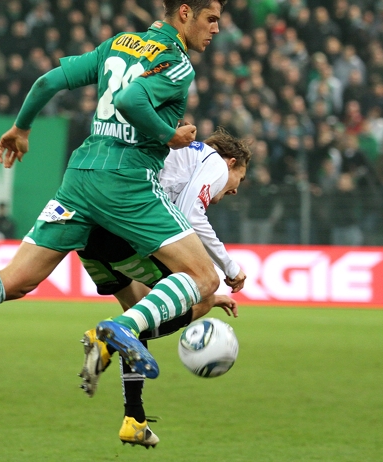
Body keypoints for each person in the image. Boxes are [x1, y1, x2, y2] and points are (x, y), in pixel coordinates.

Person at [0, 0, 239, 417]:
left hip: (80, 176)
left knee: (14, 279)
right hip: (126, 180)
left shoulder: (119, 44)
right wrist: (169, 137)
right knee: (202, 277)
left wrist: (21, 126)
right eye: (211, 18)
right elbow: (130, 100)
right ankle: (123, 329)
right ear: (184, 12)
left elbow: (48, 82)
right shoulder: (178, 64)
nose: (216, 28)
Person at [77, 128, 250, 447]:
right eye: (240, 178)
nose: (235, 190)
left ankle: (134, 419)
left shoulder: (179, 161)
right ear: (231, 161)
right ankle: (106, 340)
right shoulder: (212, 160)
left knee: (139, 316)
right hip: (119, 221)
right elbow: (191, 214)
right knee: (199, 290)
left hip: (88, 228)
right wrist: (230, 268)